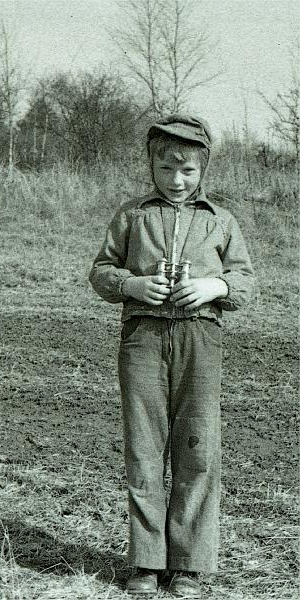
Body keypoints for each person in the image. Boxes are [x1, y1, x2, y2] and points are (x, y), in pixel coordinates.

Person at [89, 114, 254, 598]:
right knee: (143, 448)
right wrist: (133, 284)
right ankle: (145, 561)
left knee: (197, 449)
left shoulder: (221, 221)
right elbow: (101, 271)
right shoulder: (131, 215)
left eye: (188, 171)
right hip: (142, 338)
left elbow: (246, 282)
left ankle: (188, 565)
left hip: (201, 341)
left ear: (203, 169)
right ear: (151, 165)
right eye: (166, 169)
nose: (176, 181)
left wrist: (214, 285)